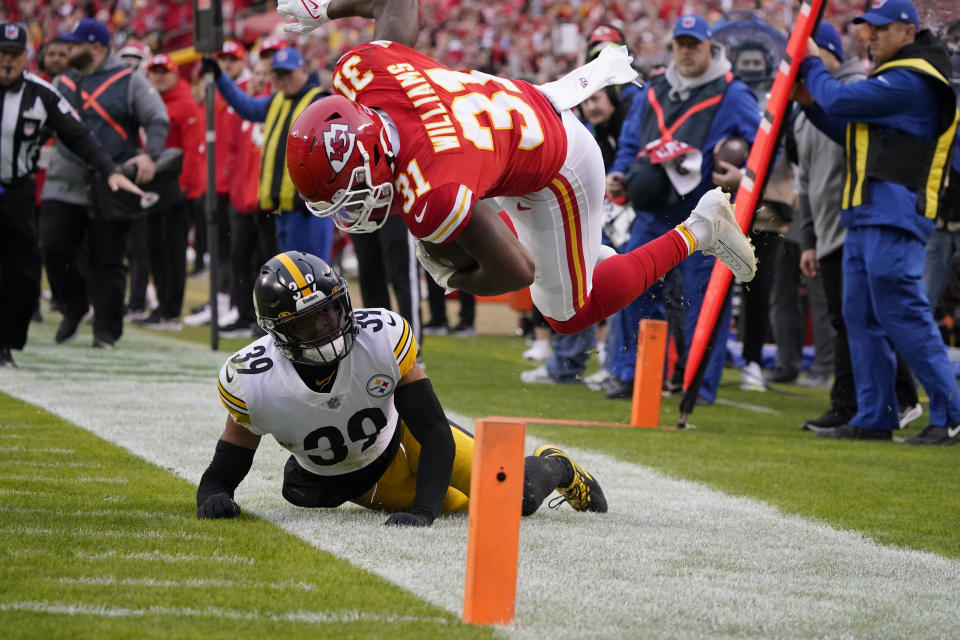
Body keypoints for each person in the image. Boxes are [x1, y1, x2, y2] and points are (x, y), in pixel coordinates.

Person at [278, 0, 756, 350]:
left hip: (555, 165)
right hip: (513, 127)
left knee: (569, 313)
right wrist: (325, 9)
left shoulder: (433, 194)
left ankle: (701, 228)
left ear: (372, 154)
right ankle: (584, 258)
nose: (354, 205)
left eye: (352, 190)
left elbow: (514, 271)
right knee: (526, 256)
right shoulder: (363, 71)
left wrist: (455, 278)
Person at [196, 251, 607, 524]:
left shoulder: (380, 338)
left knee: (514, 497)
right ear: (278, 332)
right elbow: (228, 462)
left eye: (331, 311)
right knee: (471, 509)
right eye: (308, 323)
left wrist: (424, 512)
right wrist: (213, 494)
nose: (327, 328)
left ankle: (556, 464)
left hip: (405, 433)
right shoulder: (254, 380)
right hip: (363, 479)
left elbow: (433, 432)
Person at [796, 0, 959, 444]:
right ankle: (875, 416)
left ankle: (952, 414)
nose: (870, 36)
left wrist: (810, 65)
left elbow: (841, 99)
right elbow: (852, 133)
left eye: (881, 29)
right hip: (866, 212)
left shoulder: (912, 80)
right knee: (861, 315)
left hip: (895, 213)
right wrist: (810, 106)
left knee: (901, 312)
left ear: (908, 31)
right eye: (868, 28)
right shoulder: (897, 75)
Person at [601, 15, 762, 402]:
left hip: (705, 214)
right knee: (633, 288)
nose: (687, 52)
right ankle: (636, 375)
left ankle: (696, 382)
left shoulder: (733, 93)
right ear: (672, 48)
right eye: (681, 45)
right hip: (652, 210)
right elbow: (629, 143)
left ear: (711, 47)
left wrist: (741, 174)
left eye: (695, 45)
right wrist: (620, 173)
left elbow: (760, 146)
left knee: (702, 296)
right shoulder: (653, 88)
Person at [0, 22, 142, 367]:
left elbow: (78, 135)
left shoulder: (42, 93)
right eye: (2, 53)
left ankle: (7, 342)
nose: (7, 61)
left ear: (26, 57)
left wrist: (110, 171)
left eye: (15, 55)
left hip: (17, 188)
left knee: (22, 271)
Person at [40, 18, 169, 349]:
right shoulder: (60, 81)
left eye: (74, 45)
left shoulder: (128, 81)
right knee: (53, 247)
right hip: (64, 178)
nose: (66, 51)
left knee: (107, 258)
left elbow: (156, 117)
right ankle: (74, 305)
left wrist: (150, 155)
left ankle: (106, 331)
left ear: (95, 46)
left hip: (112, 182)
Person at [201, 47, 334, 263]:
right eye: (278, 74)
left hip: (308, 211)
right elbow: (245, 106)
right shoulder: (277, 100)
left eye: (288, 74)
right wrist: (220, 77)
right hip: (281, 208)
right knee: (292, 279)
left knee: (314, 275)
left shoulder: (318, 101)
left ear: (302, 71)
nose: (282, 80)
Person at [136, 53, 207, 331]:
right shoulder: (153, 101)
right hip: (154, 186)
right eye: (154, 71)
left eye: (164, 70)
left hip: (176, 188)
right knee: (155, 247)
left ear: (176, 74)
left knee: (172, 250)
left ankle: (170, 311)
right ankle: (162, 306)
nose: (159, 75)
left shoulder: (185, 104)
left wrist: (186, 186)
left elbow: (193, 148)